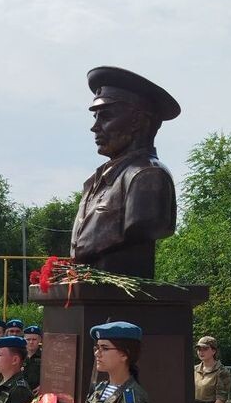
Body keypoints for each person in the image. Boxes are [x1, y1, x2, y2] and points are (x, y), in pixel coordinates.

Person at [70, 67, 180, 278]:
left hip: (120, 298)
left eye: (106, 117)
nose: (95, 127)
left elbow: (142, 227)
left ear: (138, 121)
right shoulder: (96, 182)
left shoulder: (147, 177)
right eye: (95, 117)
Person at [22, 325, 43, 392]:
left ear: (39, 340)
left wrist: (43, 386)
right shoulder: (19, 355)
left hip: (37, 394)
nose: (31, 342)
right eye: (28, 339)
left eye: (34, 339)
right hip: (20, 393)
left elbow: (50, 375)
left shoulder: (45, 357)